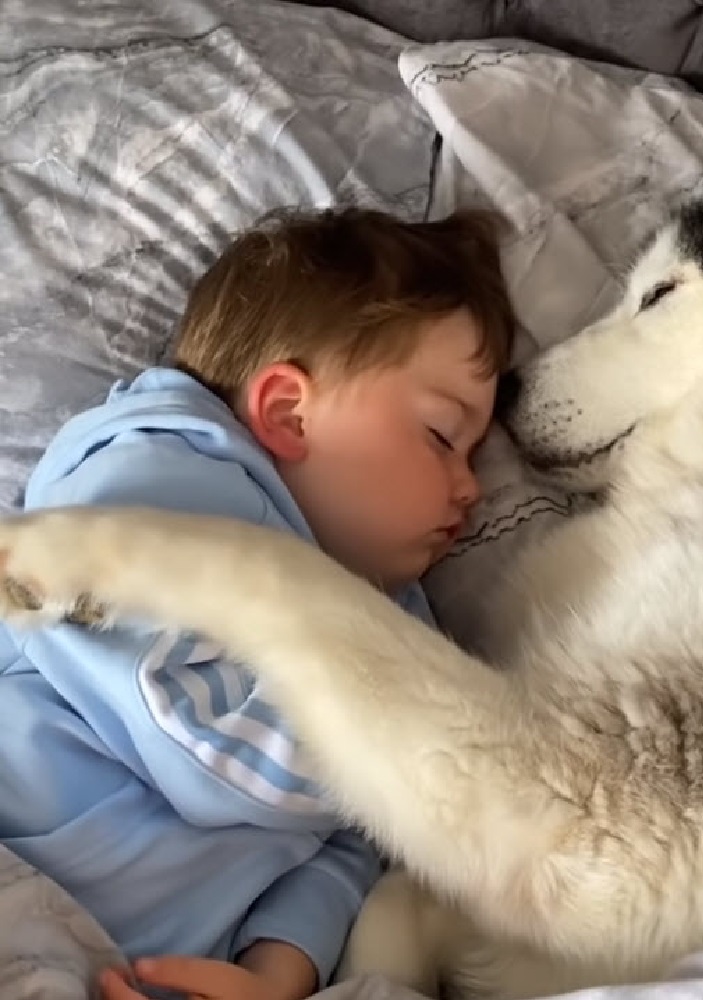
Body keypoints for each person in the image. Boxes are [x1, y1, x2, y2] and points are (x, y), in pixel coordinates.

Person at [0, 206, 515, 1000]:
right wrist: (424, 767)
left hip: (125, 965)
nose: (472, 488)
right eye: (444, 435)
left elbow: (358, 844)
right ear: (286, 411)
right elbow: (190, 724)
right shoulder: (154, 475)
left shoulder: (398, 616)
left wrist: (278, 970)